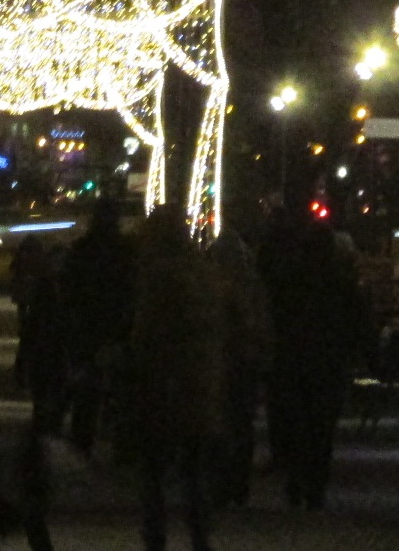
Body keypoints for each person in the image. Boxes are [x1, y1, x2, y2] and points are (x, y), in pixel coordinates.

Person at [258, 203, 369, 510]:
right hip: (329, 362)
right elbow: (357, 321)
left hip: (294, 361)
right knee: (322, 427)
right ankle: (316, 485)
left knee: (297, 423)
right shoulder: (341, 283)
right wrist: (361, 353)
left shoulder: (291, 281)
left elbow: (276, 317)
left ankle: (296, 479)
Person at [129, 205, 225, 551]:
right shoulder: (205, 273)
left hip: (163, 384)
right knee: (194, 468)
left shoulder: (158, 277)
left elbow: (145, 333)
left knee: (153, 469)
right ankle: (200, 533)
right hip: (200, 383)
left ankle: (155, 535)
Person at [60, 200, 136, 457]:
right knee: (117, 389)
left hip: (87, 329)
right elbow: (132, 291)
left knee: (87, 389)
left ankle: (83, 441)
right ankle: (119, 443)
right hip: (116, 329)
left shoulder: (82, 250)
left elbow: (68, 290)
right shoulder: (125, 252)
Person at [206, 225, 269, 507]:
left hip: (220, 359)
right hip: (243, 359)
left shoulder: (210, 285)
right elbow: (260, 323)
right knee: (241, 422)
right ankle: (237, 482)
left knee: (221, 421)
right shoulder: (250, 285)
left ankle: (222, 482)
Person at [12, 237, 69, 435]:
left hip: (49, 351)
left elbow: (33, 324)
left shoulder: (45, 286)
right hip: (50, 352)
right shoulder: (46, 285)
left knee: (47, 400)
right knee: (48, 400)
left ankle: (45, 434)